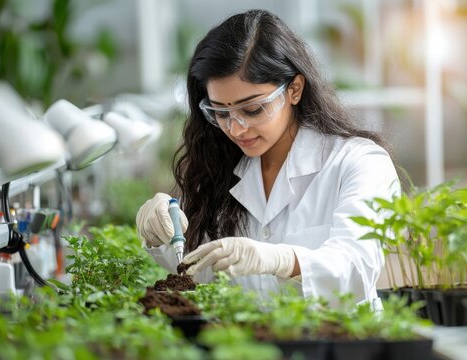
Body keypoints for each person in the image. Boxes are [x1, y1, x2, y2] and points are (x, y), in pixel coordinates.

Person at [136, 9, 400, 307]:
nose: (235, 128)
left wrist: (282, 259)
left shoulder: (359, 163)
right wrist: (160, 234)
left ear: (295, 90)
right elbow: (203, 274)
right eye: (220, 112)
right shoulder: (221, 168)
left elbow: (356, 267)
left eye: (252, 109)